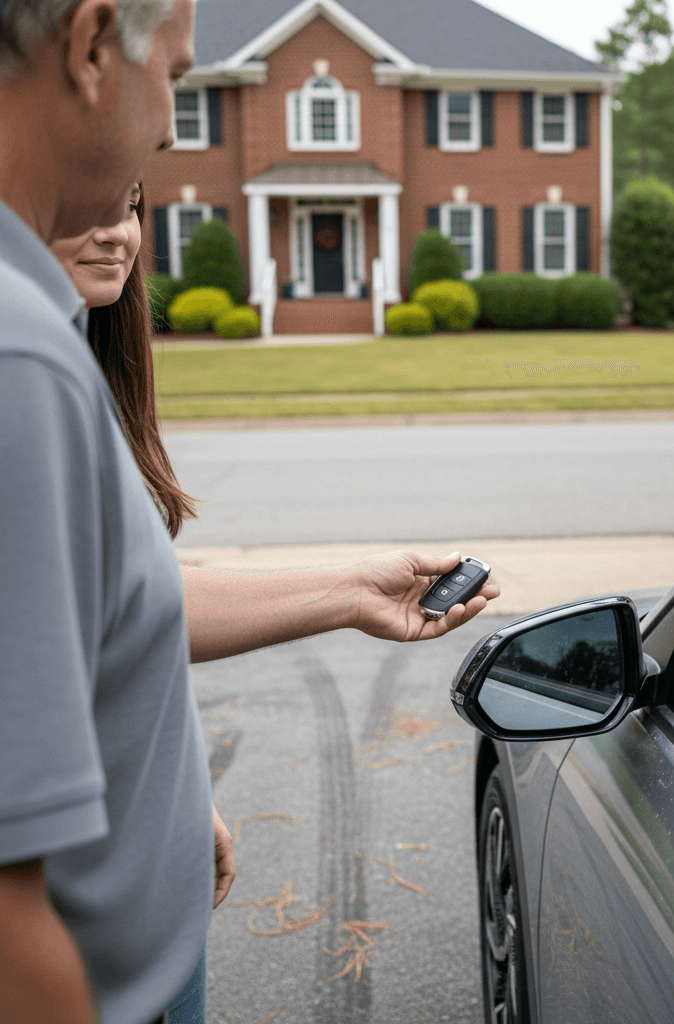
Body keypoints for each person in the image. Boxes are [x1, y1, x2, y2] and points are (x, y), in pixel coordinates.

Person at [0, 5, 498, 1024]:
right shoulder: (17, 363)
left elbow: (91, 623)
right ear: (94, 44)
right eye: (176, 76)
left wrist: (352, 588)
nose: (176, 131)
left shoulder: (42, 336)